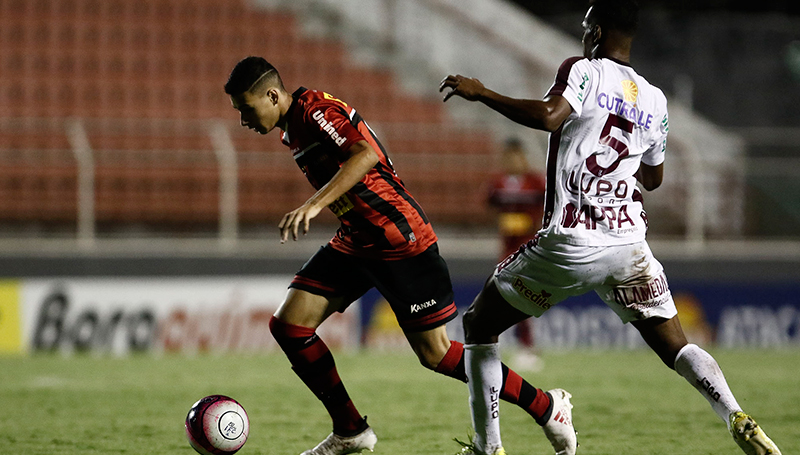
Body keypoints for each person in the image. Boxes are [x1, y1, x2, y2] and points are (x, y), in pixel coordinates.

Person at [439, 1, 783, 454]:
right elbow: (654, 178)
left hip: (572, 241)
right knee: (677, 347)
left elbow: (548, 116)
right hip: (628, 246)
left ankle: (489, 448)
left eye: (586, 28)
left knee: (479, 325)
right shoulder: (656, 99)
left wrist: (482, 93)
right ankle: (735, 413)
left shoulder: (583, 69)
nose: (583, 35)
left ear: (597, 32)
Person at [225, 56, 566, 455]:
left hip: (397, 239)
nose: (244, 120)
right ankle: (350, 431)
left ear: (271, 94)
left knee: (436, 354)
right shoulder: (294, 127)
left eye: (247, 109)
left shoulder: (315, 111)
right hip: (357, 239)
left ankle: (547, 406)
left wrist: (314, 204)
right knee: (290, 326)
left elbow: (364, 154)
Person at [486, 138, 546, 371]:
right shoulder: (498, 183)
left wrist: (527, 224)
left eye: (516, 156)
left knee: (523, 297)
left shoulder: (536, 182)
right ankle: (511, 345)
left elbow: (544, 211)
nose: (512, 161)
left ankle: (527, 346)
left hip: (529, 250)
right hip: (507, 252)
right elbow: (490, 209)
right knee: (503, 297)